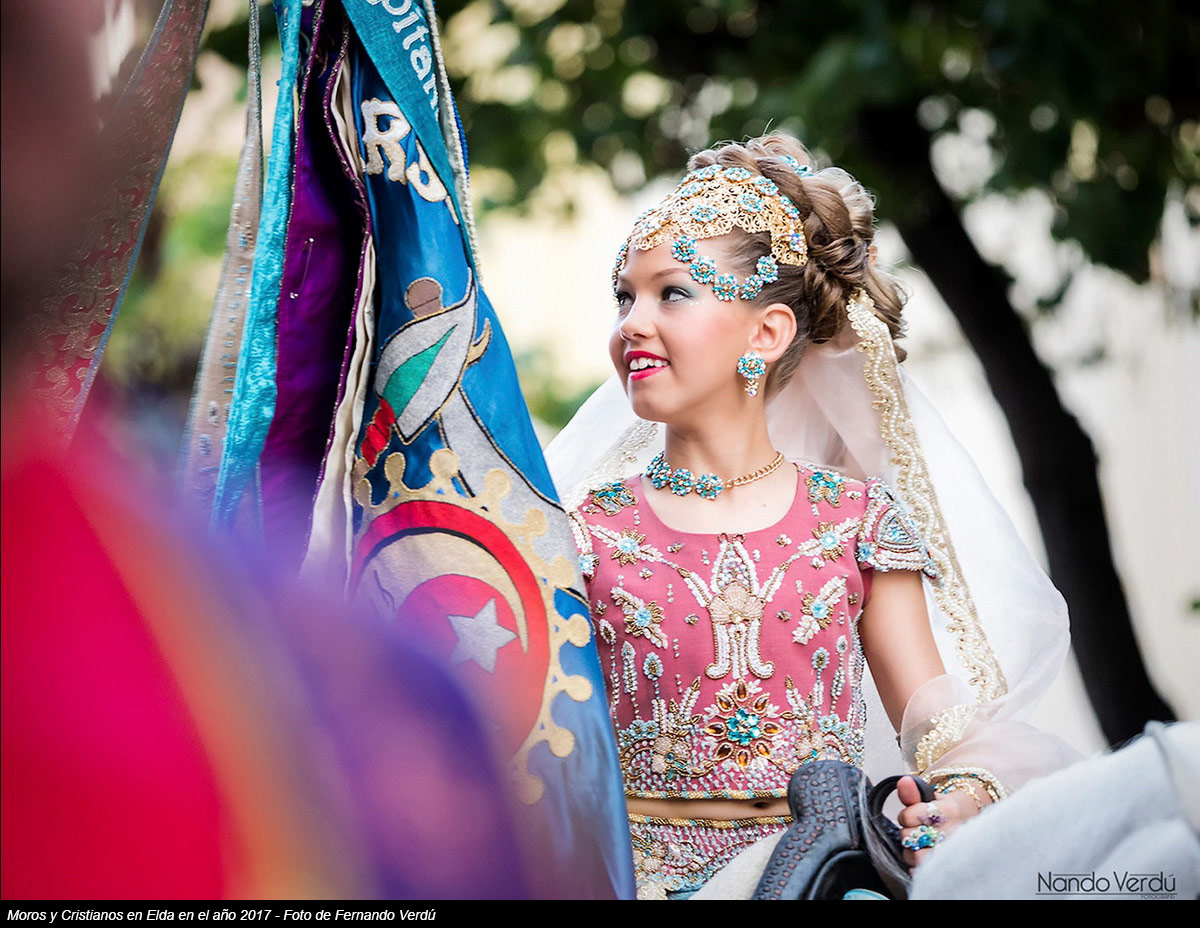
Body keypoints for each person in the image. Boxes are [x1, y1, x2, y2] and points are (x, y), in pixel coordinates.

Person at [547, 132, 1079, 899]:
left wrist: (959, 798)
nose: (632, 322)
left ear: (766, 333)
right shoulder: (583, 532)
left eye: (673, 293)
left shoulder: (855, 523)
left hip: (821, 877)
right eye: (624, 297)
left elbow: (940, 729)